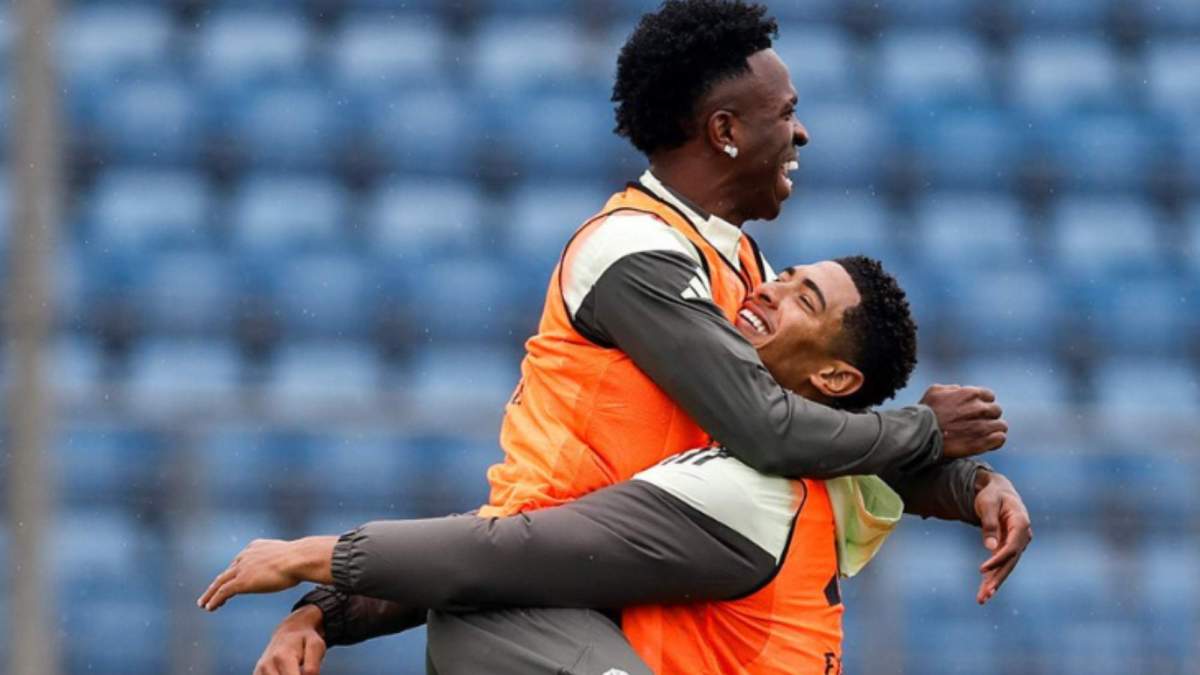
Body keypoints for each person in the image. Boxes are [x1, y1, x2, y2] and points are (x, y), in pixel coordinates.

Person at [236, 0, 1015, 672]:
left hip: (596, 588)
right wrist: (923, 429)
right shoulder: (632, 252)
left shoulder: (746, 269)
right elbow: (766, 431)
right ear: (725, 131)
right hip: (524, 603)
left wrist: (969, 485)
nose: (801, 133)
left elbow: (826, 443)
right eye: (785, 114)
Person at [202, 257, 1032, 674]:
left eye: (803, 299)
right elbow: (891, 461)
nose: (769, 289)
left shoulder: (750, 485)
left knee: (482, 603)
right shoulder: (805, 462)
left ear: (835, 381)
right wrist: (322, 616)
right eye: (781, 274)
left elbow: (507, 554)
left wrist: (311, 554)